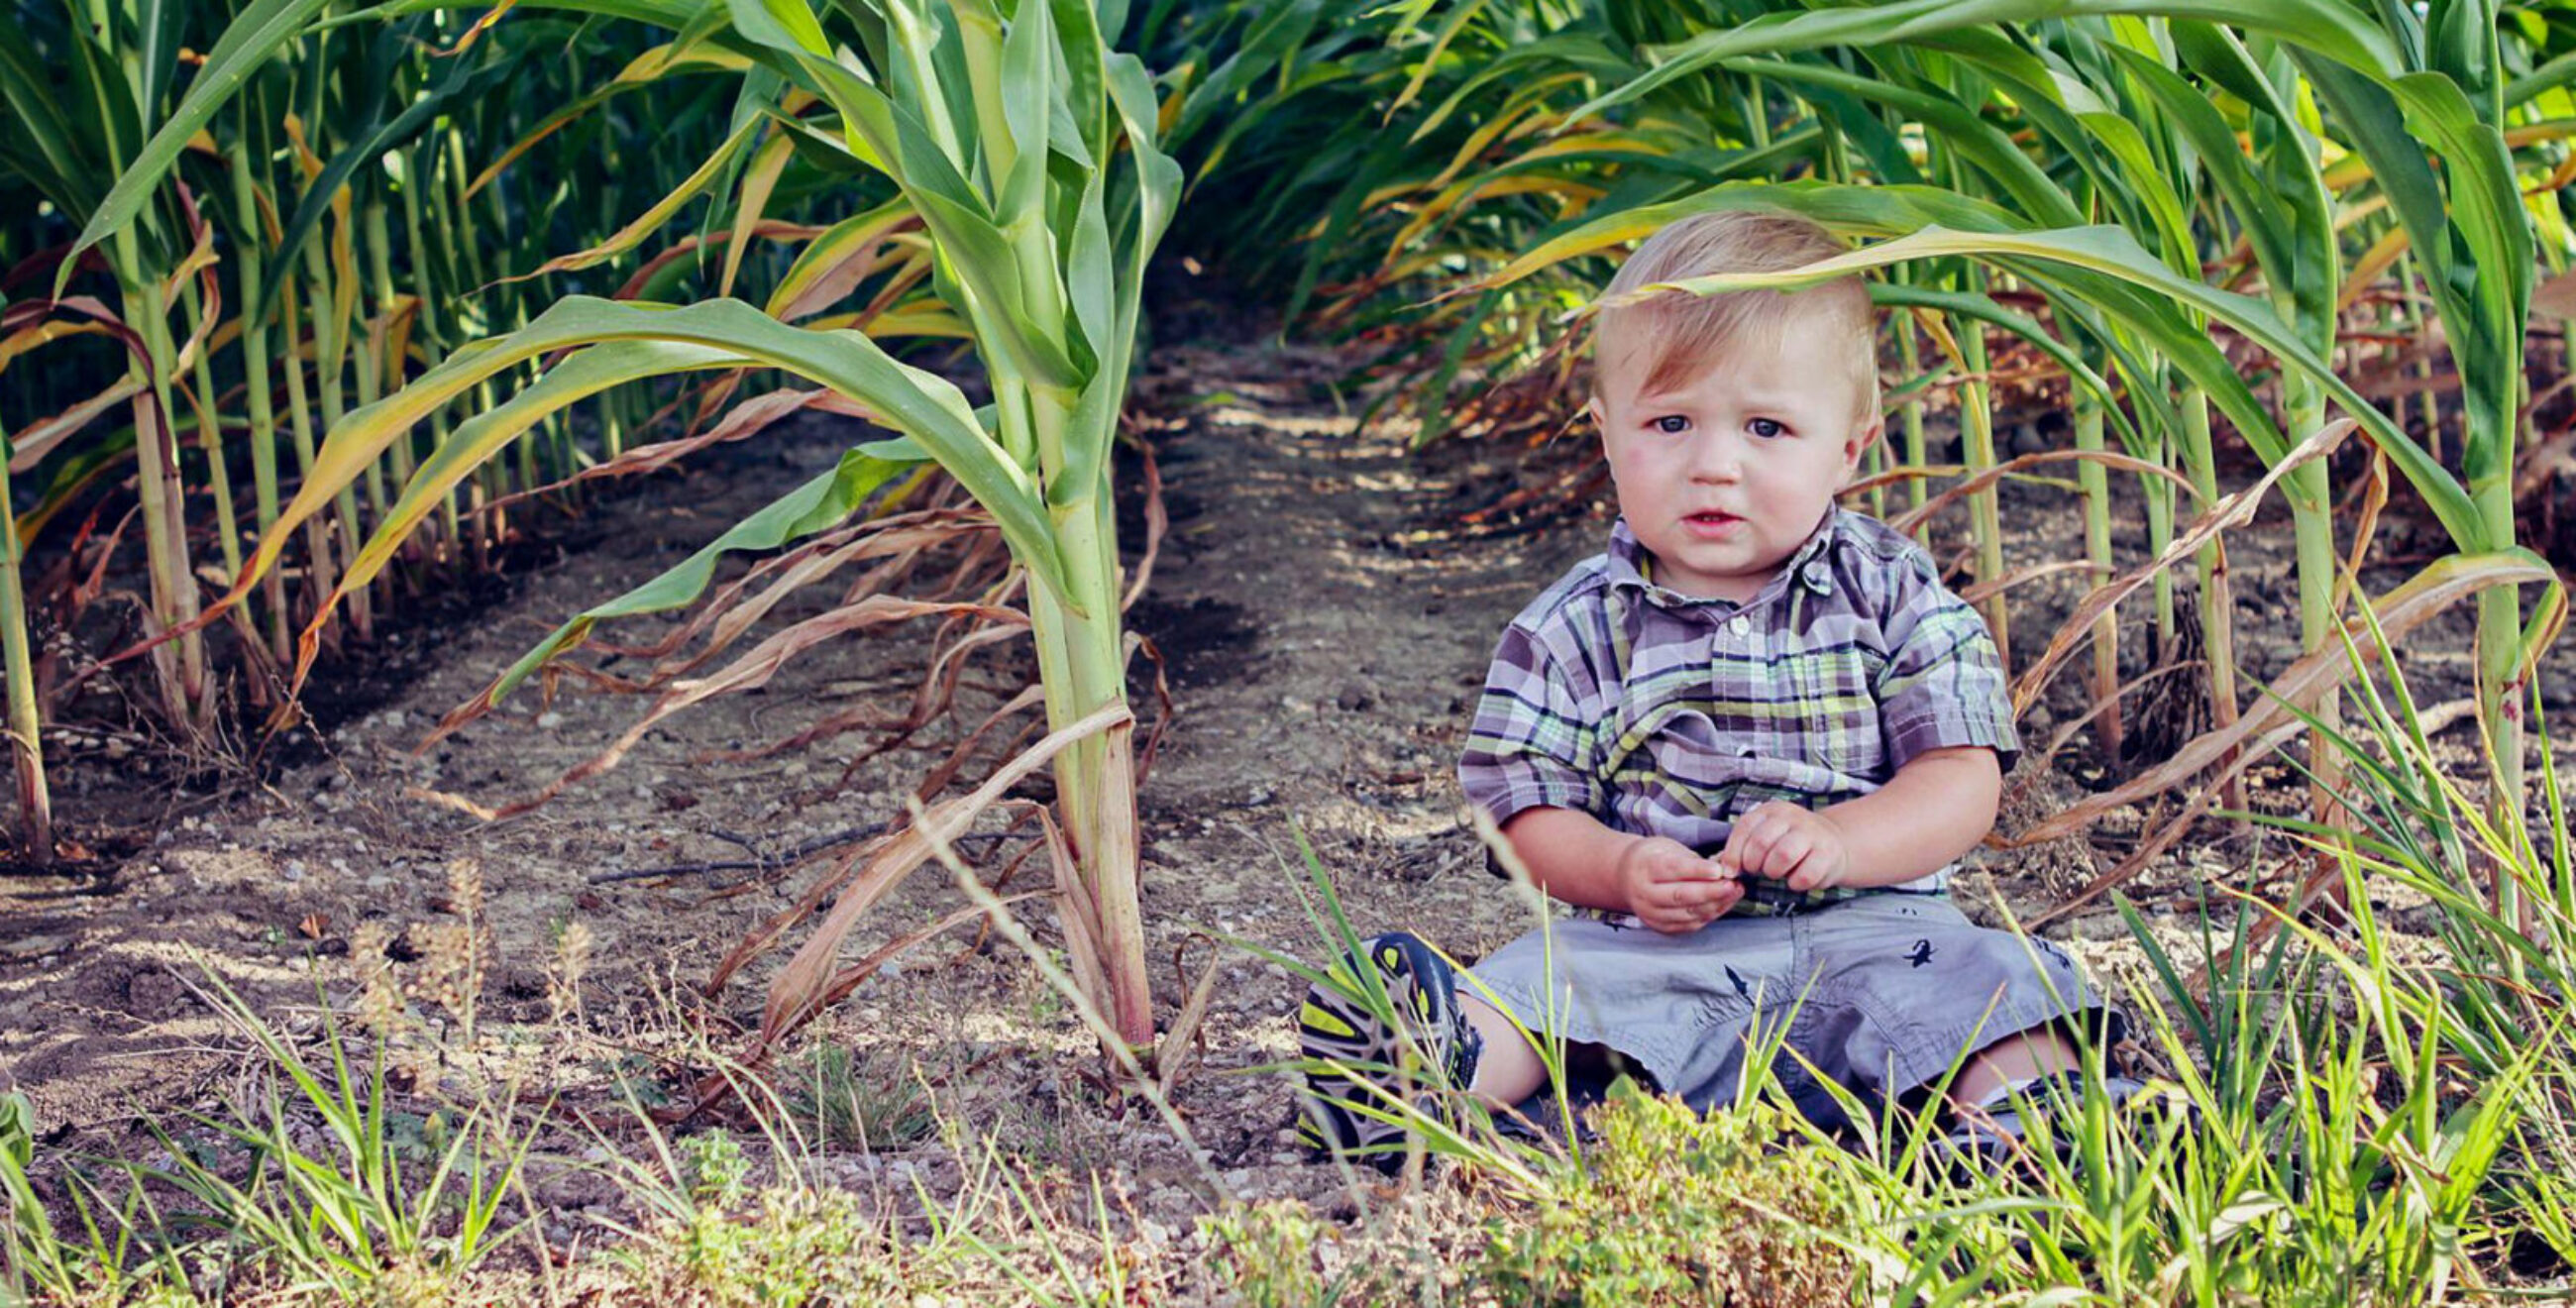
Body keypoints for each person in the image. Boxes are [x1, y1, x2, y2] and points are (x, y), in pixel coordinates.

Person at [1293, 208, 2137, 1172]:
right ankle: (1415, 1081)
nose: (1714, 463)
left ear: (1849, 448)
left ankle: (2034, 1129)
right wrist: (1616, 871)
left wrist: (1840, 841)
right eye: (1669, 422)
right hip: (1649, 948)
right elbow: (1523, 814)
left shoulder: (1893, 591)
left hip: (1878, 932)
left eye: (1766, 427)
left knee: (1988, 985)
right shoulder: (1570, 628)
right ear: (1606, 434)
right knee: (1534, 983)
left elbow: (1960, 775)